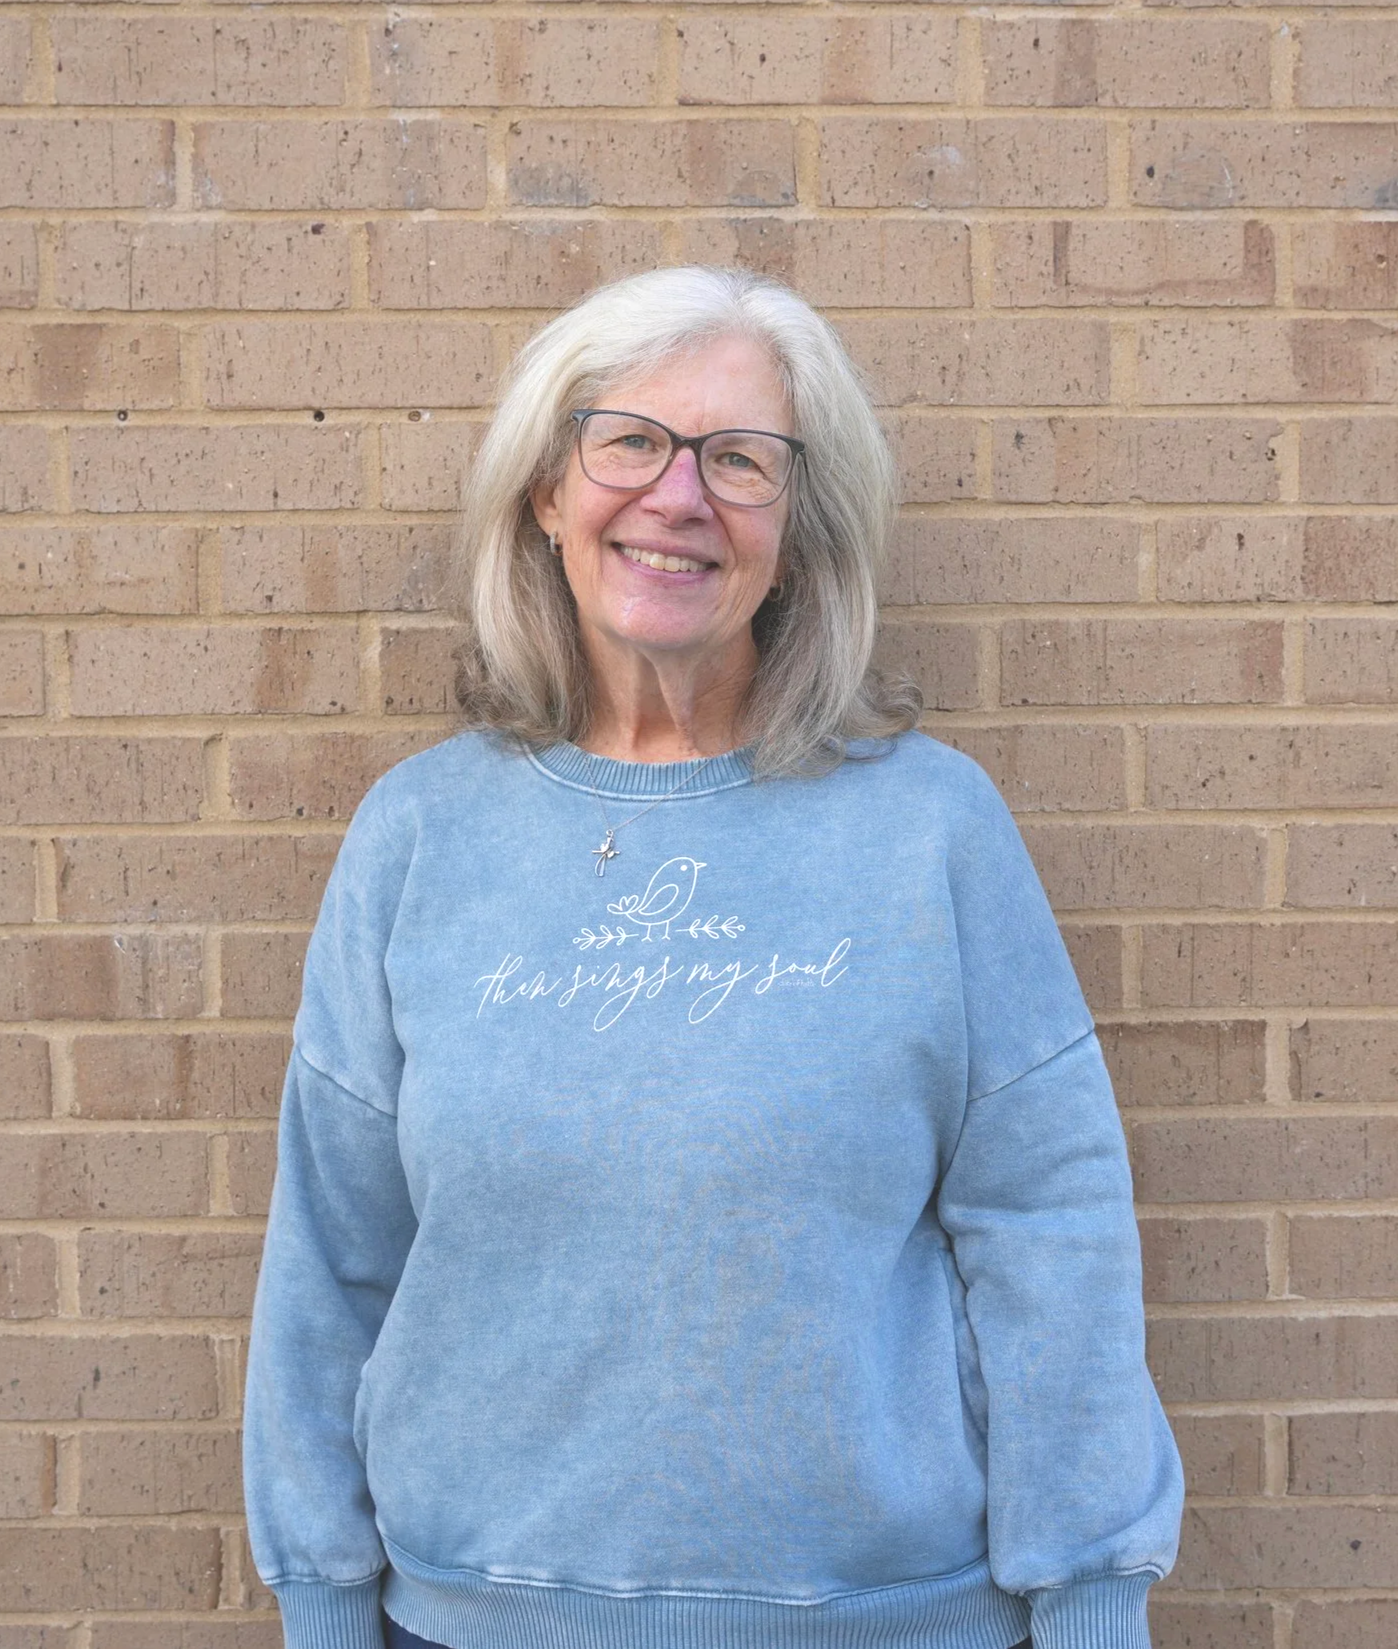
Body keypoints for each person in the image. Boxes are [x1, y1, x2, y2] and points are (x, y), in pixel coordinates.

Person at [242, 265, 1184, 1649]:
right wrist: (323, 1604)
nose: (677, 498)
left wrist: (1094, 1598)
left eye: (741, 461)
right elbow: (332, 1258)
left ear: (799, 533)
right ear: (547, 493)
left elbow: (1052, 1233)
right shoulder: (423, 837)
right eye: (629, 441)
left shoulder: (931, 831)